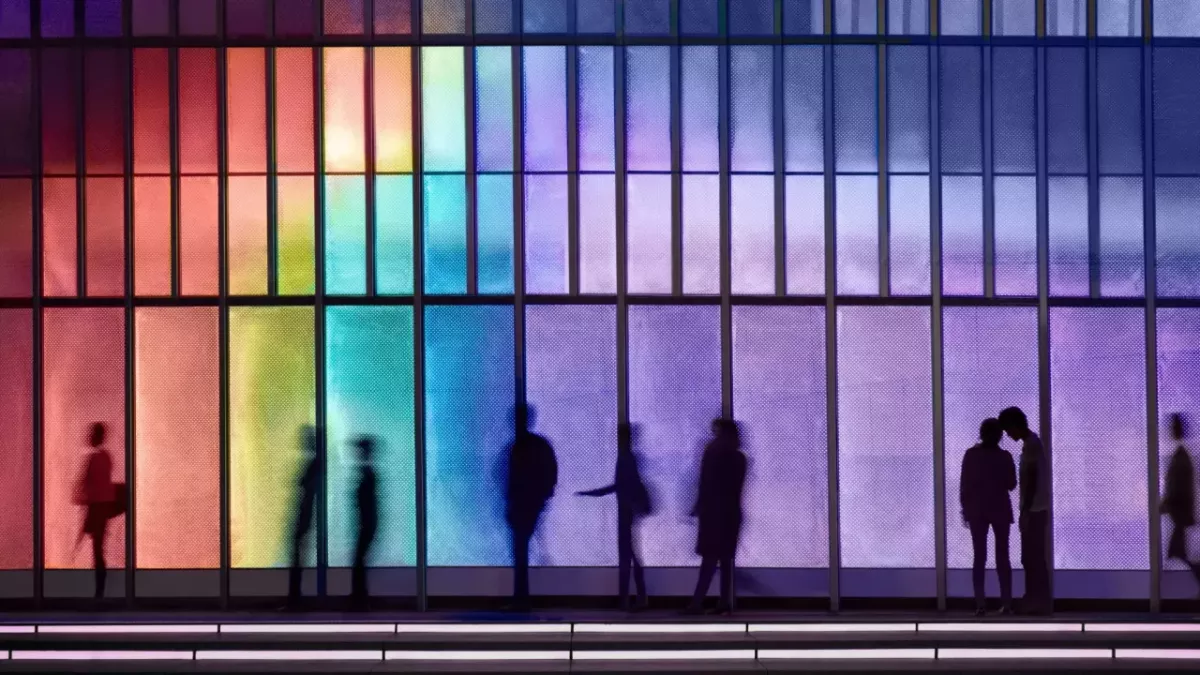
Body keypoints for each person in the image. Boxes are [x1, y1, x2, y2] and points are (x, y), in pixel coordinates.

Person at [578, 423, 653, 611]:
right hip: (629, 512)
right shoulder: (631, 458)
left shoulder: (625, 459)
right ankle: (636, 596)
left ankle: (629, 598)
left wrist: (592, 493)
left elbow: (619, 486)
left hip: (625, 513)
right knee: (632, 556)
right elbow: (627, 485)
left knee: (629, 557)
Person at [686, 419, 747, 615]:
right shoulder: (739, 459)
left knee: (710, 559)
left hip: (714, 514)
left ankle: (697, 602)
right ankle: (724, 601)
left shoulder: (713, 454)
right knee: (726, 560)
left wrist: (699, 506)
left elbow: (706, 484)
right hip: (731, 514)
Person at [960, 418, 1017, 616]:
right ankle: (1007, 602)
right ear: (1000, 435)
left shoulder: (971, 455)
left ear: (981, 433)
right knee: (1003, 556)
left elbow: (965, 485)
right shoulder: (1005, 457)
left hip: (977, 510)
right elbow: (1011, 484)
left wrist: (965, 509)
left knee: (979, 557)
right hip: (1000, 508)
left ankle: (980, 604)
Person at [504, 404, 558, 610]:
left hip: (523, 505)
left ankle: (521, 599)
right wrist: (544, 496)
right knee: (521, 551)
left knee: (520, 552)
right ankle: (522, 598)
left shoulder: (520, 446)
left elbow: (514, 478)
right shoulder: (539, 445)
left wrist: (513, 501)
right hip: (531, 504)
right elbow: (551, 471)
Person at [999, 406, 1051, 615]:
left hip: (1035, 510)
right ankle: (1035, 597)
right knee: (1033, 556)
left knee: (1032, 556)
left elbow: (1029, 482)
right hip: (1036, 508)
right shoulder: (1032, 444)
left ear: (1015, 425)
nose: (1008, 435)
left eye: (1008, 430)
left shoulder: (1031, 446)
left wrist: (1025, 512)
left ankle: (1036, 599)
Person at [74, 422, 115, 600]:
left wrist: (79, 498)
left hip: (95, 507)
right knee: (99, 549)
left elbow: (81, 483)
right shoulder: (106, 457)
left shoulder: (92, 458)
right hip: (104, 507)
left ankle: (99, 591)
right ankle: (100, 589)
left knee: (96, 549)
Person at [1160, 414, 1200, 587]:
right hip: (1181, 515)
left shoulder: (1180, 457)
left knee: (1177, 553)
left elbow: (1178, 487)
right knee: (1178, 553)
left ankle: (1159, 591)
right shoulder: (1182, 455)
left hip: (1180, 515)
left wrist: (1165, 504)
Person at [288, 426, 320, 606]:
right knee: (297, 557)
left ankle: (295, 600)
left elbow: (305, 489)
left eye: (306, 439)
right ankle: (295, 598)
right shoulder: (313, 464)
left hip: (304, 518)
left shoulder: (313, 465)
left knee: (297, 558)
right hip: (304, 517)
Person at [351, 436, 378, 609]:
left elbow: (367, 503)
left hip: (366, 525)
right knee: (359, 561)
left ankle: (360, 599)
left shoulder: (368, 474)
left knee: (359, 561)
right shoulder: (367, 473)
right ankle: (360, 598)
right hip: (367, 525)